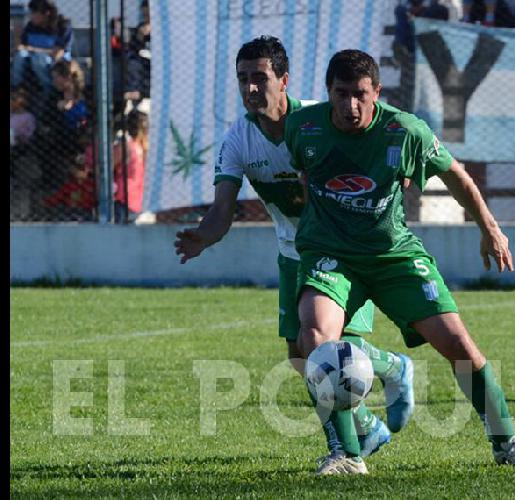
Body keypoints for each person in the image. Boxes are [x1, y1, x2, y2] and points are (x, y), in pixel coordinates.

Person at [284, 49, 515, 474]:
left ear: (377, 92)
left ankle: (507, 443)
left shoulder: (404, 131)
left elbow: (457, 175)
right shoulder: (303, 127)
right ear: (328, 93)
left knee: (460, 347)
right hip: (330, 255)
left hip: (393, 256)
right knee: (313, 340)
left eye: (361, 95)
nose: (351, 106)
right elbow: (302, 173)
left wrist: (490, 228)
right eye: (341, 94)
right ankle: (347, 456)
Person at [172, 36, 415, 462]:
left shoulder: (321, 121)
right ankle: (370, 415)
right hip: (293, 254)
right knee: (302, 359)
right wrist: (203, 236)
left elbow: (375, 148)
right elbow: (222, 210)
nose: (250, 88)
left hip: (343, 251)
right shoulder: (238, 140)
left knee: (325, 348)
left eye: (260, 78)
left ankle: (345, 451)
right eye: (242, 79)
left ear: (283, 80)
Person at [11, 0, 74, 96]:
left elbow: (57, 53)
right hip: (32, 60)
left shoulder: (62, 25)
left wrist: (32, 49)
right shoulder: (31, 26)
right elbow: (22, 47)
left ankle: (49, 91)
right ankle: (16, 88)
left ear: (46, 13)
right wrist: (17, 37)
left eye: (34, 13)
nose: (30, 16)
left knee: (39, 58)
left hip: (56, 62)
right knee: (20, 56)